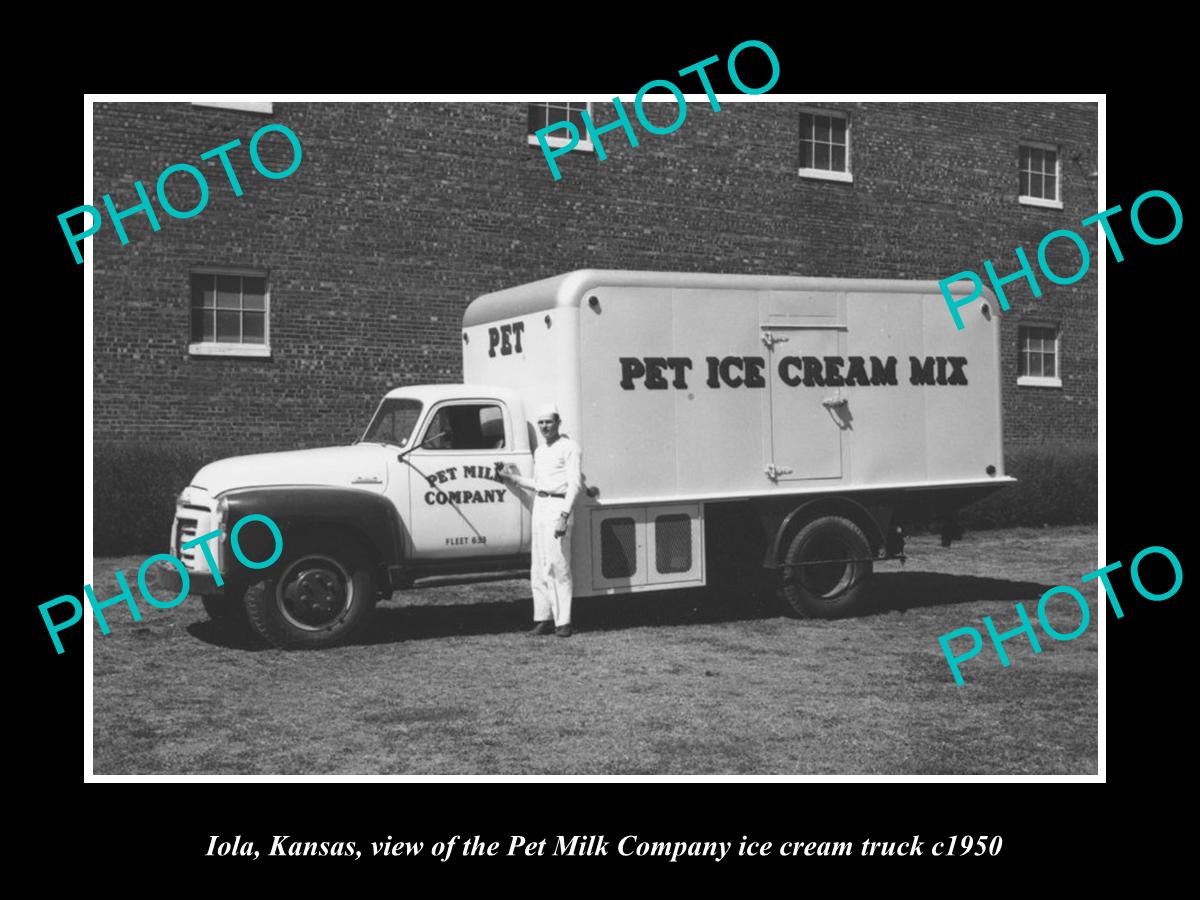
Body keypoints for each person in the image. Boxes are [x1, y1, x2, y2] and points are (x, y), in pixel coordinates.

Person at [499, 402, 582, 637]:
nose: (545, 426)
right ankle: (543, 618)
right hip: (541, 506)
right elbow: (539, 484)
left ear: (558, 422)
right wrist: (514, 479)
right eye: (541, 423)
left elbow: (574, 485)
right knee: (539, 566)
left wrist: (564, 516)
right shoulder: (541, 451)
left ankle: (563, 622)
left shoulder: (570, 448)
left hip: (559, 506)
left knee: (558, 565)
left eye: (549, 422)